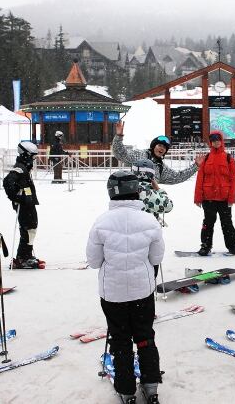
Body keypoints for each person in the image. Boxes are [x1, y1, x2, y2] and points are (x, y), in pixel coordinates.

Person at [87, 171, 165, 404]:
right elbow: (156, 257)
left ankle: (127, 389)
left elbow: (93, 261)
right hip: (142, 291)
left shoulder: (102, 221)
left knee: (120, 340)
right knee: (144, 337)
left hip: (113, 293)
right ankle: (151, 386)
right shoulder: (149, 220)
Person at [111, 121, 204, 184]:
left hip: (153, 205)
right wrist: (119, 136)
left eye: (164, 147)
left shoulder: (161, 168)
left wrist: (195, 166)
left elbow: (177, 177)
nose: (161, 148)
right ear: (153, 146)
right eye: (159, 145)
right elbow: (121, 154)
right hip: (134, 203)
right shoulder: (139, 155)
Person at [194, 131, 235, 255]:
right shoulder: (206, 158)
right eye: (213, 141)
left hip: (224, 199)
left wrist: (231, 198)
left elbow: (233, 180)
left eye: (218, 140)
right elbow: (200, 178)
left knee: (227, 224)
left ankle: (232, 247)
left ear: (221, 141)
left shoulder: (229, 158)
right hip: (208, 199)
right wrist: (198, 197)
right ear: (211, 142)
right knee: (207, 224)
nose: (216, 142)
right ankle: (205, 246)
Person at [3, 141, 43, 269]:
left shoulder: (25, 166)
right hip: (24, 203)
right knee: (27, 229)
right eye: (33, 156)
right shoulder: (20, 168)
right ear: (26, 155)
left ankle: (27, 255)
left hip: (28, 201)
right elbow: (7, 182)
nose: (34, 159)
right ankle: (22, 257)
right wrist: (17, 198)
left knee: (31, 227)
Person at [131, 159, 173, 226]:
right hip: (147, 232)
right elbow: (169, 206)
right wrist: (158, 189)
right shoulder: (150, 194)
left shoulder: (127, 189)